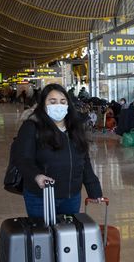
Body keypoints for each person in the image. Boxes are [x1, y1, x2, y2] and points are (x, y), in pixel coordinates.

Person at [14, 84, 102, 218]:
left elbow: (83, 159)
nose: (58, 105)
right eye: (52, 101)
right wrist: (36, 176)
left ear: (68, 104)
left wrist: (93, 187)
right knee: (44, 236)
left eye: (62, 101)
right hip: (41, 196)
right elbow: (23, 159)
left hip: (71, 196)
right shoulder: (32, 126)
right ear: (43, 104)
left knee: (67, 236)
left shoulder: (74, 127)